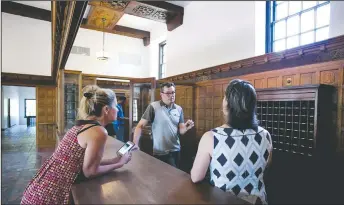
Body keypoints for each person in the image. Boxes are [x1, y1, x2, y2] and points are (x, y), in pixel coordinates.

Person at [21, 85, 133, 204]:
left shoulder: (81, 126)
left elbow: (82, 162)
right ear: (106, 109)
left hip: (40, 189)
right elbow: (90, 171)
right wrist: (120, 163)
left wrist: (114, 160)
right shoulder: (98, 131)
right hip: (49, 195)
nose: (117, 109)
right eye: (115, 106)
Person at [190, 79, 273, 205]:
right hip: (258, 201)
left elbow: (196, 177)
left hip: (223, 201)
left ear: (227, 104)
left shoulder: (211, 137)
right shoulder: (266, 135)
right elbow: (266, 166)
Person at [133, 82, 194, 168]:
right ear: (161, 94)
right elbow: (140, 126)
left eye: (173, 92)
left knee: (175, 176)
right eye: (168, 93)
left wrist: (187, 127)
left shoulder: (179, 109)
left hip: (175, 150)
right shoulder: (153, 107)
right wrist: (135, 143)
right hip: (160, 152)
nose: (172, 95)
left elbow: (181, 131)